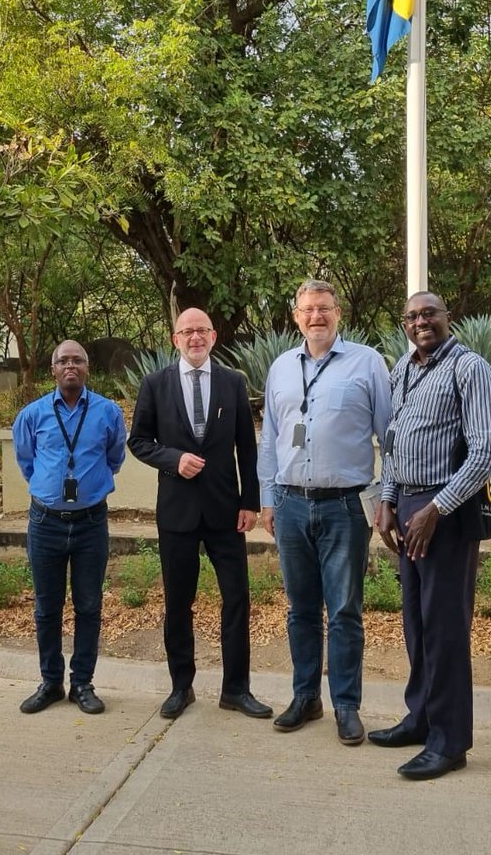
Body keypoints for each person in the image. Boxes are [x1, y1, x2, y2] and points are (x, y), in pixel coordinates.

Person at [370, 291, 491, 780]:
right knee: (416, 623)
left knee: (445, 628)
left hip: (445, 512)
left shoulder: (470, 369)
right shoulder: (403, 369)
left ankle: (450, 743)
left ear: (449, 318)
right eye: (412, 316)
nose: (421, 322)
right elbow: (394, 440)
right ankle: (421, 719)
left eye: (430, 313)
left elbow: (487, 452)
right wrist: (386, 500)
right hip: (405, 506)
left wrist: (435, 509)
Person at [259, 279, 391, 745]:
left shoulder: (367, 363)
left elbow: (389, 437)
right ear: (295, 316)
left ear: (339, 313)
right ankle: (305, 698)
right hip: (291, 505)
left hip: (345, 508)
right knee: (300, 611)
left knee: (345, 611)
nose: (316, 316)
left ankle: (347, 707)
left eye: (324, 309)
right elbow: (271, 439)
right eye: (308, 309)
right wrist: (268, 498)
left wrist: (386, 499)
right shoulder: (279, 369)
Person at [128, 307, 272, 721]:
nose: (195, 337)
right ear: (175, 339)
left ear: (213, 337)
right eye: (186, 331)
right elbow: (138, 441)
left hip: (227, 511)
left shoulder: (233, 382)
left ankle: (236, 690)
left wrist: (250, 501)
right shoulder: (155, 384)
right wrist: (174, 459)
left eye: (202, 331)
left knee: (237, 599)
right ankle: (181, 687)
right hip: (177, 512)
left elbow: (248, 446)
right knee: (178, 601)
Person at [13, 339, 126, 715]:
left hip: (91, 523)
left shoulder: (108, 413)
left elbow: (114, 457)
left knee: (89, 606)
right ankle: (50, 682)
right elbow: (26, 461)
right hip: (45, 522)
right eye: (64, 360)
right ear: (53, 370)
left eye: (78, 360)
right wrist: (51, 489)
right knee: (47, 607)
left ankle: (82, 684)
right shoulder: (32, 415)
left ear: (88, 368)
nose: (71, 366)